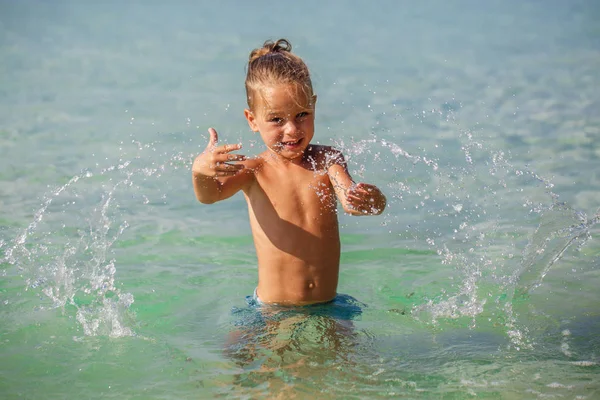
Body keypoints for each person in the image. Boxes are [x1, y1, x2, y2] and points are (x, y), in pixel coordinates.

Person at [192, 38, 386, 307]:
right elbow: (209, 196)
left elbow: (351, 201)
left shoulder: (327, 160)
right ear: (252, 120)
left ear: (314, 106)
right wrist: (200, 172)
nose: (292, 130)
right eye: (276, 119)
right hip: (271, 311)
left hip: (327, 306)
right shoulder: (254, 171)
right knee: (233, 350)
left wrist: (371, 200)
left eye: (302, 114)